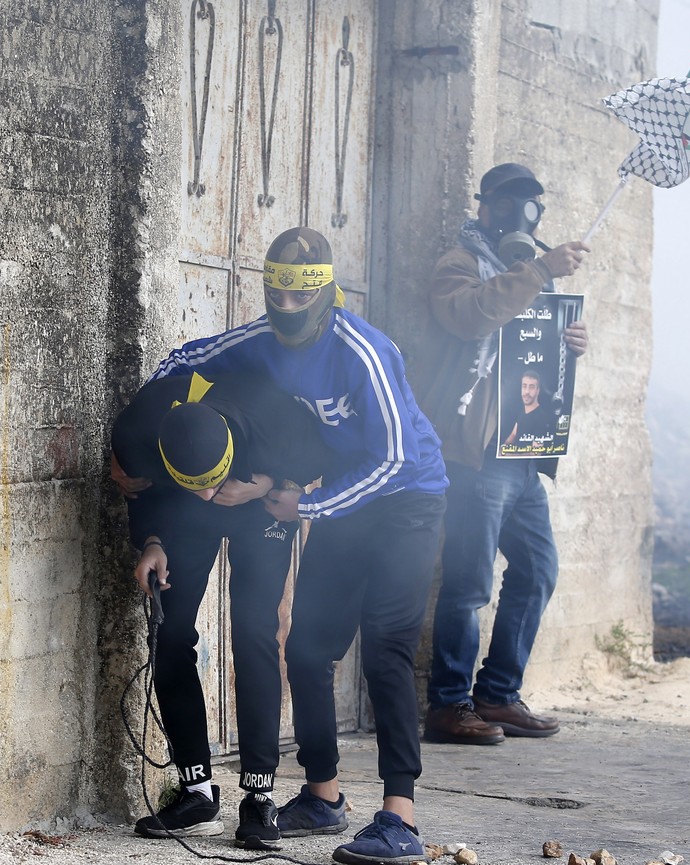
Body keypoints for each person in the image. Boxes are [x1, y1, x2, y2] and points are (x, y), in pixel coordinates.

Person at [148, 227, 448, 865]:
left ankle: (400, 818)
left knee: (387, 649)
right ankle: (323, 794)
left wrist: (303, 503)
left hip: (406, 504)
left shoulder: (364, 350)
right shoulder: (260, 337)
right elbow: (182, 361)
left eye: (296, 297)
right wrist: (151, 448)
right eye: (274, 293)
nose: (283, 307)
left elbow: (396, 460)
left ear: (325, 294)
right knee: (309, 651)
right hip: (339, 501)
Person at [404, 162, 590, 745]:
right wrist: (537, 268)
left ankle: (498, 694)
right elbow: (470, 315)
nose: (521, 215)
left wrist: (573, 345)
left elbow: (533, 353)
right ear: (483, 208)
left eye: (532, 205)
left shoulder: (533, 275)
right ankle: (448, 705)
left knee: (537, 571)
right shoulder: (460, 266)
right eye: (509, 203)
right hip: (474, 453)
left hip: (523, 451)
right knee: (468, 583)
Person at [111, 372, 331, 849]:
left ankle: (258, 797)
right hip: (180, 512)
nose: (211, 497)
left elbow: (319, 457)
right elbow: (139, 492)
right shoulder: (138, 430)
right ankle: (196, 794)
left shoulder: (278, 419)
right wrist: (151, 542)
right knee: (169, 633)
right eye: (200, 487)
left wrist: (267, 481)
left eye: (212, 486)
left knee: (253, 632)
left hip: (260, 504)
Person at [503, 371, 554, 446]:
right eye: (524, 386)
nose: (527, 391)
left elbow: (535, 453)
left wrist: (506, 454)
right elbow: (512, 436)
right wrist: (501, 449)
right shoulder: (522, 413)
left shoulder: (542, 418)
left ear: (538, 391)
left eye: (531, 387)